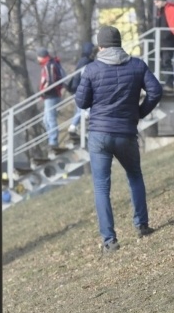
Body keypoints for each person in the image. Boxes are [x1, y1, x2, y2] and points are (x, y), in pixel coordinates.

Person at [75, 26, 162, 252]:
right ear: (119, 43)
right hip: (126, 133)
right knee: (134, 176)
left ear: (100, 46)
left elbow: (81, 102)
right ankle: (142, 225)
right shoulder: (137, 65)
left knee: (102, 188)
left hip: (99, 135)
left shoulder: (91, 70)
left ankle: (109, 241)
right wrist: (139, 112)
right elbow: (156, 91)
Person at [37, 47, 66, 149]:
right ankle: (51, 140)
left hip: (51, 95)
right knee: (45, 120)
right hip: (51, 95)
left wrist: (43, 92)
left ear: (41, 56)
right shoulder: (51, 63)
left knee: (50, 118)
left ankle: (53, 141)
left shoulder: (48, 65)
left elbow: (50, 81)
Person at [66, 42, 95, 137]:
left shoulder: (83, 60)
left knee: (80, 109)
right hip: (80, 88)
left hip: (78, 87)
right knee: (83, 108)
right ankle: (77, 123)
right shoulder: (86, 61)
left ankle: (74, 126)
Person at [154, 0, 174, 90]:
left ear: (162, 1)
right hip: (161, 41)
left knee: (166, 61)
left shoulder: (169, 9)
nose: (155, 3)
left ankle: (169, 84)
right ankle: (167, 83)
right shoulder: (160, 11)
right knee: (163, 63)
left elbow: (172, 24)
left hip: (168, 41)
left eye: (157, 1)